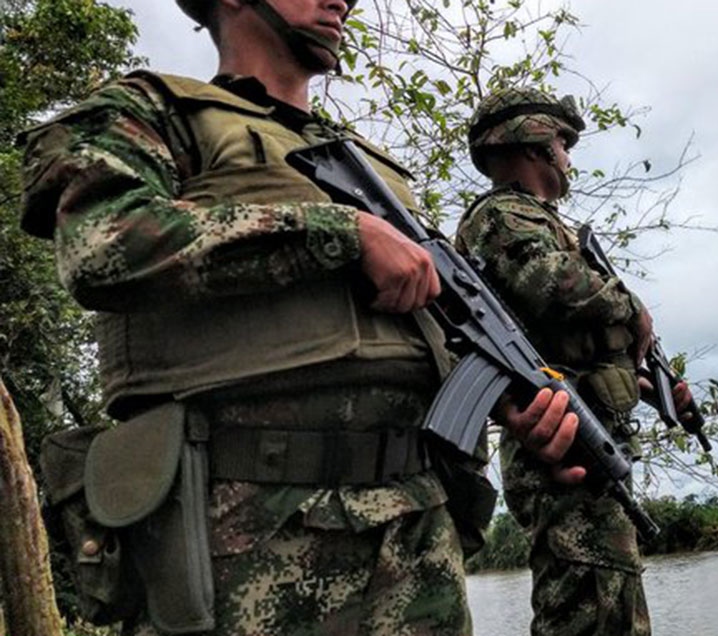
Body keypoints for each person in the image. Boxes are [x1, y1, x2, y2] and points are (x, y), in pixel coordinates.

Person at [20, 1, 580, 634]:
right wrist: (340, 232)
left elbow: (416, 320)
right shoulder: (153, 112)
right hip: (245, 522)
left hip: (416, 526)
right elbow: (104, 247)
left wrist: (505, 403)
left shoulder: (369, 166)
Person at [455, 87, 692, 636]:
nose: (567, 156)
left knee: (615, 609)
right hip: (558, 445)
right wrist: (631, 306)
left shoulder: (542, 221)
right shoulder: (502, 215)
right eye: (563, 142)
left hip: (585, 433)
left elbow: (565, 349)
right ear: (534, 142)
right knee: (587, 612)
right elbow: (552, 285)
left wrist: (647, 387)